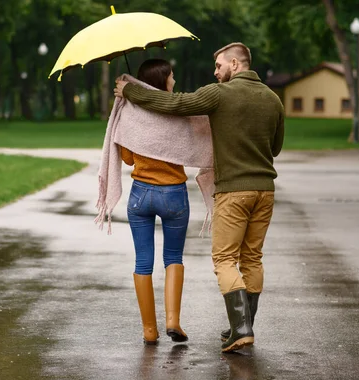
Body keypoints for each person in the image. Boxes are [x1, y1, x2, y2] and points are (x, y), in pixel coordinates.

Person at [115, 43, 285, 353]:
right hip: (264, 190)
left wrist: (130, 91)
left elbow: (175, 105)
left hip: (231, 190)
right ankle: (236, 325)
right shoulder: (273, 99)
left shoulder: (220, 94)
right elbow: (275, 148)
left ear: (235, 63)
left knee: (223, 259)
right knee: (251, 258)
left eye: (219, 66)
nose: (215, 72)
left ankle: (237, 328)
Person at [121, 59, 190, 345]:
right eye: (172, 76)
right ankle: (173, 321)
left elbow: (127, 158)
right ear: (163, 80)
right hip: (173, 193)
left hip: (140, 194)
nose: (174, 81)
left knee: (142, 261)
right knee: (172, 257)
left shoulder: (131, 113)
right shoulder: (178, 111)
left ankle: (150, 330)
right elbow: (191, 148)